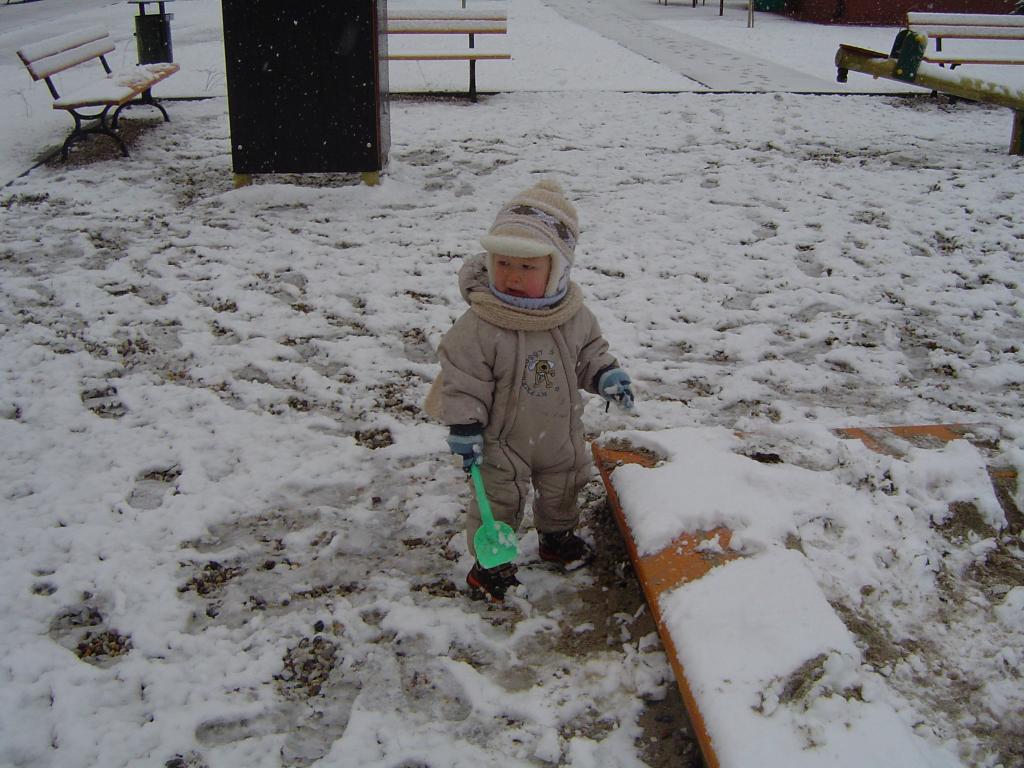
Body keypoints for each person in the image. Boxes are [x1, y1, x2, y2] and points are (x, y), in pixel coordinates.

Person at [424, 179, 635, 603]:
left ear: (556, 270)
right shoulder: (481, 324)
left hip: (558, 432)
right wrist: (465, 426)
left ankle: (557, 538)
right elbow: (463, 377)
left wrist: (606, 376)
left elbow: (588, 354)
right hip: (501, 439)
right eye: (503, 263)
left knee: (564, 485)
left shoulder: (574, 317)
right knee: (499, 501)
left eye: (527, 267)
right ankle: (491, 566)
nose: (513, 277)